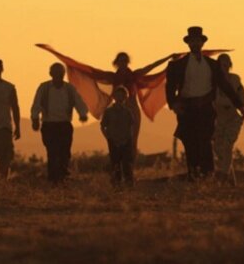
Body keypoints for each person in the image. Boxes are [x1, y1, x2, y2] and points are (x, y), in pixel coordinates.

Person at [36, 44, 175, 163]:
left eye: (124, 60)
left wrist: (168, 58)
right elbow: (90, 71)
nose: (122, 63)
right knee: (115, 139)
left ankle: (129, 168)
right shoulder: (112, 77)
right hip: (116, 112)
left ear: (127, 62)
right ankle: (117, 167)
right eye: (120, 61)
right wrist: (62, 57)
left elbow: (151, 66)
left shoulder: (135, 75)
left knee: (132, 139)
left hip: (132, 109)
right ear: (117, 62)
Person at [166, 27, 244, 180]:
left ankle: (207, 176)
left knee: (205, 142)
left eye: (198, 41)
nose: (195, 44)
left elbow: (225, 86)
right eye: (192, 41)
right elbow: (170, 87)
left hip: (206, 108)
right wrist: (174, 104)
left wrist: (239, 104)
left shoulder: (212, 65)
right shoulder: (177, 65)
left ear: (202, 43)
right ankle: (194, 175)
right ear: (189, 44)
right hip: (187, 109)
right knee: (190, 143)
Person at [31, 63, 88, 185]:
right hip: (49, 125)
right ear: (51, 74)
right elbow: (36, 104)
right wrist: (35, 119)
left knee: (64, 152)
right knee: (52, 152)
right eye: (56, 73)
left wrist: (83, 114)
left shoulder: (69, 89)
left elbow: (79, 102)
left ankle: (63, 178)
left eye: (60, 73)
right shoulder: (44, 88)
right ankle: (53, 179)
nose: (58, 75)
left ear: (63, 74)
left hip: (64, 125)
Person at [212, 54, 244, 179]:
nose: (225, 67)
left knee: (228, 144)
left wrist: (242, 107)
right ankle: (230, 175)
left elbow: (242, 97)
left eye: (227, 64)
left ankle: (225, 174)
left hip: (233, 117)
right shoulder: (214, 82)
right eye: (223, 64)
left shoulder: (235, 79)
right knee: (217, 147)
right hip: (219, 118)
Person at [101, 86, 135, 186]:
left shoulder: (128, 112)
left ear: (125, 97)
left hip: (126, 141)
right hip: (113, 141)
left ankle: (129, 185)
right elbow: (103, 126)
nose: (120, 98)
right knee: (115, 164)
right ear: (114, 96)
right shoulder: (108, 112)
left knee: (127, 165)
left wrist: (128, 138)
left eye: (122, 96)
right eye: (118, 95)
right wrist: (108, 138)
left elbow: (131, 126)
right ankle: (116, 185)